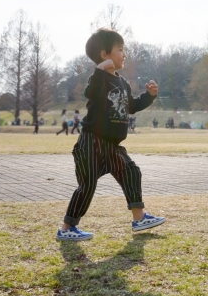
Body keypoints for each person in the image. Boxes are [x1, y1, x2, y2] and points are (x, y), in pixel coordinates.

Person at [57, 28, 165, 241]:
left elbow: (131, 106)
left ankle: (139, 218)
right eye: (120, 49)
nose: (124, 54)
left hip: (113, 144)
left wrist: (149, 97)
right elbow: (90, 92)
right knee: (87, 186)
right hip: (92, 141)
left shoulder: (122, 83)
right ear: (105, 55)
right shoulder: (99, 80)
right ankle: (67, 227)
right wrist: (99, 71)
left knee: (131, 171)